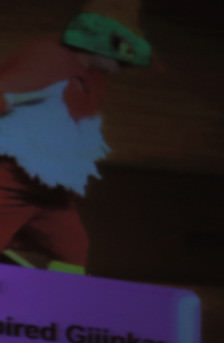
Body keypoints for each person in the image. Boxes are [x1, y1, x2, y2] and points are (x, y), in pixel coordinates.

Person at [0, 0, 151, 272]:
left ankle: (58, 299)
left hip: (49, 193)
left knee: (72, 251)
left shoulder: (93, 77)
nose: (120, 67)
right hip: (11, 185)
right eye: (119, 59)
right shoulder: (50, 58)